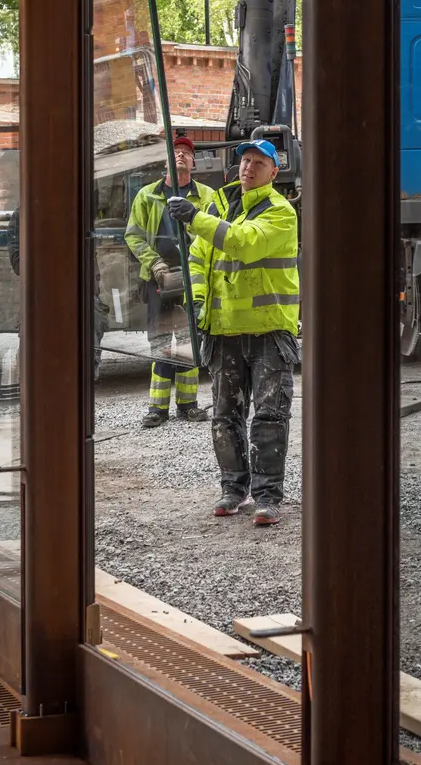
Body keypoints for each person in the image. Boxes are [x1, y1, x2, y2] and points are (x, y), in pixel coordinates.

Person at [168, 139, 300, 527]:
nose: (249, 167)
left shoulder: (280, 212)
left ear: (274, 173)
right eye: (245, 160)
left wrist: (195, 218)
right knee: (225, 416)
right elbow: (197, 259)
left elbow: (246, 243)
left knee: (270, 416)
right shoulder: (219, 207)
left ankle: (268, 496)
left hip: (269, 331)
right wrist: (196, 298)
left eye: (259, 162)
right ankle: (232, 489)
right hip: (224, 331)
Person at [125, 136, 215, 427]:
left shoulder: (207, 197)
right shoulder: (147, 196)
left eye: (187, 153)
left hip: (193, 279)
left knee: (189, 341)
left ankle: (188, 404)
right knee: (161, 340)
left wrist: (193, 265)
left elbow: (213, 232)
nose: (181, 156)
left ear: (194, 163)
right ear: (165, 161)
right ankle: (157, 408)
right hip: (158, 280)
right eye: (175, 152)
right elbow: (134, 235)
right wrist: (156, 264)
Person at [7, 207, 108, 381]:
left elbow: (90, 257)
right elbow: (18, 264)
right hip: (41, 297)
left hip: (78, 294)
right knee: (39, 369)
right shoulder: (22, 215)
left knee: (94, 322)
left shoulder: (76, 208)